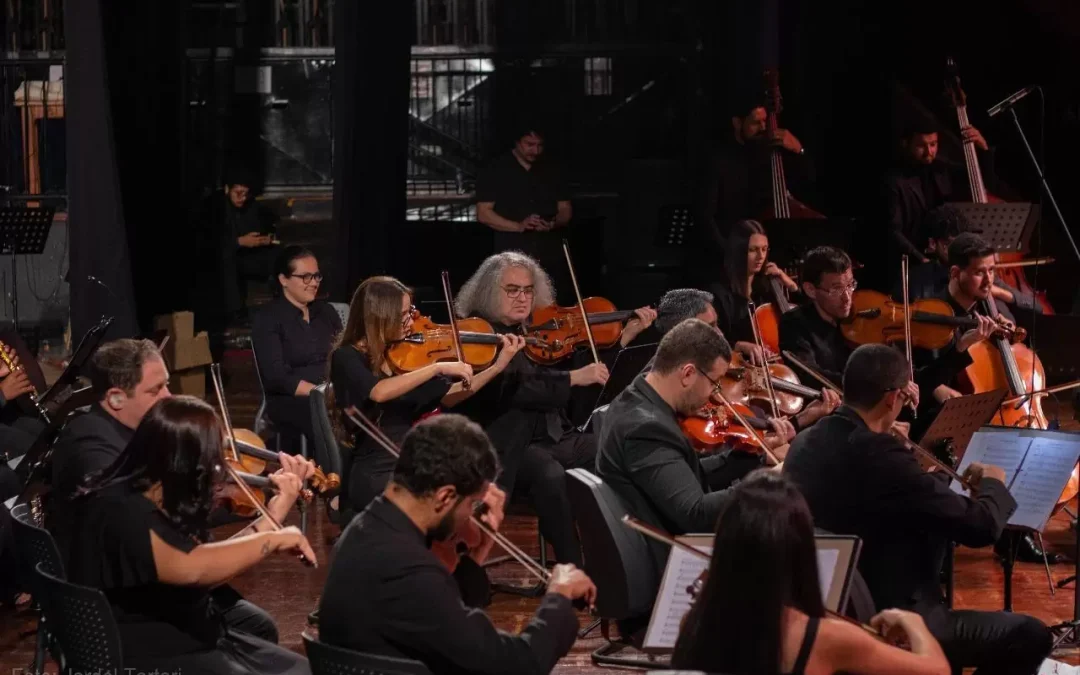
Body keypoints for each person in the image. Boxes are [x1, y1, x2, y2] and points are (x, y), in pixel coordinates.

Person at [783, 344, 1052, 674]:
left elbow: (874, 494)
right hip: (894, 617)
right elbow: (982, 527)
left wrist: (927, 477)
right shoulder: (881, 453)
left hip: (829, 608)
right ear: (893, 398)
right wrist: (994, 484)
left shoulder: (806, 441)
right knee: (1030, 634)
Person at [49, 337, 312, 645]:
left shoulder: (133, 436)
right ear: (116, 398)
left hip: (153, 585)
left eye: (167, 385)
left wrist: (268, 502)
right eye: (154, 390)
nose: (168, 397)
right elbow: (188, 561)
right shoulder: (94, 450)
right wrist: (265, 515)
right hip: (127, 611)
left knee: (258, 625)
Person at [319, 414, 595, 675]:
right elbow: (518, 665)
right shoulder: (404, 568)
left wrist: (477, 552)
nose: (471, 514)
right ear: (444, 497)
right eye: (471, 504)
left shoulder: (366, 530)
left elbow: (442, 622)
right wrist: (559, 597)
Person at [63, 396, 313, 675]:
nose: (221, 473)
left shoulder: (140, 495)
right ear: (186, 464)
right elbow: (195, 568)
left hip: (188, 633)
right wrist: (275, 538)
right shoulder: (125, 514)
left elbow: (206, 562)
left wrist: (273, 514)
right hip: (155, 655)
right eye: (214, 462)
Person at [451, 251, 652, 566]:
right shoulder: (479, 336)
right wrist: (573, 377)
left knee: (623, 448)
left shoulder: (539, 332)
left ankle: (634, 549)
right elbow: (517, 388)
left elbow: (586, 384)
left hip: (557, 437)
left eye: (528, 290)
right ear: (491, 291)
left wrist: (622, 338)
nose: (522, 298)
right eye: (512, 290)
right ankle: (570, 566)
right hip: (510, 448)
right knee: (550, 475)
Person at [674, 470, 950, 675]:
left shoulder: (694, 623)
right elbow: (938, 671)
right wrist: (913, 621)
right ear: (800, 549)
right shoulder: (823, 637)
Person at [597, 318, 782, 576]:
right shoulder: (645, 429)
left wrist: (752, 458)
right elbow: (694, 513)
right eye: (714, 382)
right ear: (687, 374)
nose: (716, 394)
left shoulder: (636, 399)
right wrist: (768, 481)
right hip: (674, 562)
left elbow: (683, 473)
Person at [328, 275, 524, 515]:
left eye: (410, 311)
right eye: (403, 315)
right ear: (380, 317)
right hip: (377, 469)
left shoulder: (402, 357)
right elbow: (378, 392)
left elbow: (449, 396)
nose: (411, 321)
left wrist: (497, 367)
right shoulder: (347, 357)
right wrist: (436, 368)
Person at [653, 287, 840, 433]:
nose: (719, 334)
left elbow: (761, 439)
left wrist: (806, 416)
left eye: (717, 325)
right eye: (709, 327)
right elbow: (751, 446)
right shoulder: (686, 398)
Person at [693, 96, 813, 281]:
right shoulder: (717, 160)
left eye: (765, 121)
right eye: (756, 123)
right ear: (737, 123)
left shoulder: (770, 153)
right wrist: (731, 255)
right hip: (727, 261)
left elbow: (807, 183)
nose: (764, 128)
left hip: (768, 260)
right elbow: (705, 218)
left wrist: (799, 150)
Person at [251, 245, 343, 463]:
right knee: (321, 412)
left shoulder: (326, 312)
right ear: (283, 279)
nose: (314, 282)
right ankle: (333, 479)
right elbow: (277, 377)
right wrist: (321, 393)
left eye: (316, 275)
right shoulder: (268, 318)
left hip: (332, 391)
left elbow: (344, 354)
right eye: (305, 277)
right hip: (290, 398)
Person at [475, 125, 573, 298]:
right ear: (517, 143)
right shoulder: (496, 169)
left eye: (539, 145)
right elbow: (484, 213)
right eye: (529, 144)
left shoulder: (553, 169)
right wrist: (519, 225)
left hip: (548, 251)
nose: (535, 151)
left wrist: (553, 223)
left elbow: (565, 208)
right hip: (511, 251)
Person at [193, 167, 279, 360]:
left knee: (276, 256)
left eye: (245, 194)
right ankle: (234, 311)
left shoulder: (249, 206)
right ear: (226, 189)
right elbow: (208, 243)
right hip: (221, 258)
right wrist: (239, 242)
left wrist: (263, 240)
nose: (242, 198)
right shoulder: (213, 208)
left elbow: (256, 227)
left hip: (244, 255)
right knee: (226, 261)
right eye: (238, 193)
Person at [883, 121, 992, 271]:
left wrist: (983, 148)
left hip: (945, 260)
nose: (929, 152)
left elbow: (978, 179)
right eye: (921, 146)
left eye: (933, 144)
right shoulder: (894, 180)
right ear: (905, 143)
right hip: (913, 263)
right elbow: (893, 231)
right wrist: (923, 260)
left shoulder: (941, 169)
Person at [704, 220, 798, 365]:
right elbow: (708, 339)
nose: (761, 256)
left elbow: (802, 319)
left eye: (764, 249)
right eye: (753, 250)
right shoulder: (719, 294)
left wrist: (790, 284)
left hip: (773, 367)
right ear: (738, 252)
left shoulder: (767, 288)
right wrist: (741, 346)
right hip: (738, 367)